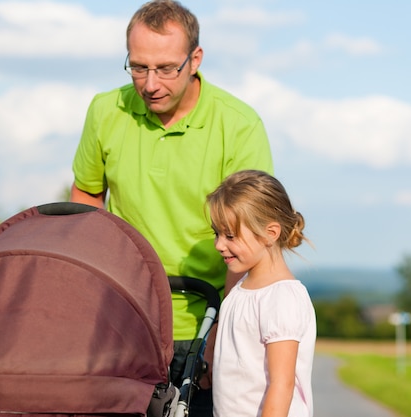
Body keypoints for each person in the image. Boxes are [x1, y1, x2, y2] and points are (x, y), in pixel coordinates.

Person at [70, 1, 273, 413]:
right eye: (138, 67)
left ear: (194, 60)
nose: (149, 83)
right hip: (126, 320)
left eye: (166, 68)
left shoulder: (238, 126)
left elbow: (249, 239)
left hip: (208, 316)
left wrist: (223, 336)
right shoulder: (105, 111)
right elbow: (87, 194)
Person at [206, 170, 316, 417]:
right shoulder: (239, 291)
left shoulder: (282, 298)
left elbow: (282, 385)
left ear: (270, 233)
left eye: (230, 236)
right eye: (217, 233)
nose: (219, 245)